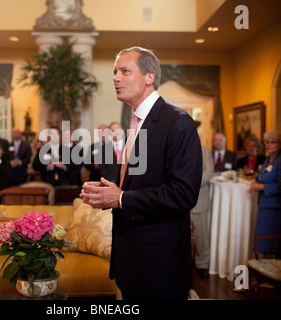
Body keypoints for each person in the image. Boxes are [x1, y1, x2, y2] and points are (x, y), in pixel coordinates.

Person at [80, 46, 202, 300]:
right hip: (130, 258)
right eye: (115, 72)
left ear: (150, 77)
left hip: (159, 264)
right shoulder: (136, 122)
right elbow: (140, 180)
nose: (115, 78)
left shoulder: (177, 121)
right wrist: (109, 190)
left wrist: (121, 198)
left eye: (125, 71)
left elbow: (183, 194)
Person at [251, 130, 281, 258]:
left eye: (272, 142)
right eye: (267, 142)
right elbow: (262, 176)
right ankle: (257, 273)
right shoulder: (268, 159)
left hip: (276, 208)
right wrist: (256, 181)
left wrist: (261, 186)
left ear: (280, 144)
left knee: (274, 244)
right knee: (260, 242)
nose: (269, 145)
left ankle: (268, 274)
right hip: (264, 205)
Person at [190, 121, 214, 278]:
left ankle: (202, 264)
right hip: (180, 200)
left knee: (201, 235)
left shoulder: (206, 151)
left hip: (200, 198)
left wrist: (189, 184)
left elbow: (209, 172)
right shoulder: (177, 150)